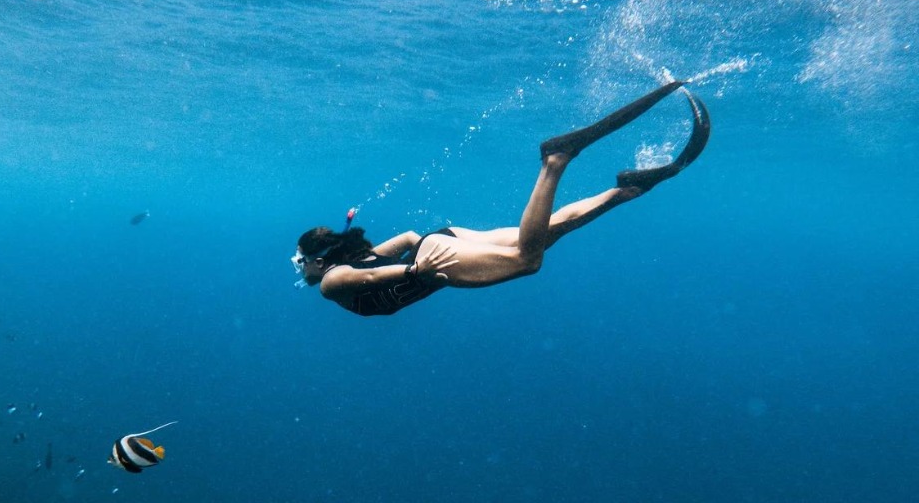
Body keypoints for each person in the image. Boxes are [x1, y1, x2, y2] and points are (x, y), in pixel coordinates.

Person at [292, 81, 711, 317]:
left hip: (433, 258)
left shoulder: (330, 283)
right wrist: (418, 256)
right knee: (541, 236)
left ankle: (555, 161)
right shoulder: (352, 260)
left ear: (319, 259)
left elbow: (367, 279)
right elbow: (402, 239)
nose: (301, 270)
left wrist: (417, 269)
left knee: (528, 261)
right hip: (440, 243)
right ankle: (625, 190)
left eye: (300, 261)